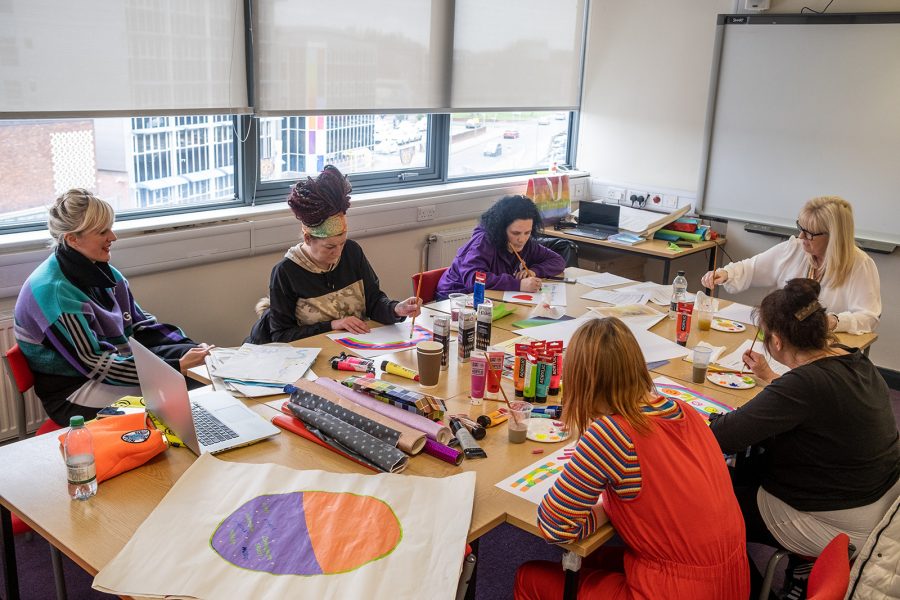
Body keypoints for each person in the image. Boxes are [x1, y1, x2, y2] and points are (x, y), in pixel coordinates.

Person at [515, 318, 749, 600]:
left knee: (530, 577)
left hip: (673, 590)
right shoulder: (682, 410)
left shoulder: (612, 432)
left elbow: (556, 527)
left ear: (580, 380)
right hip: (730, 581)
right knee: (590, 561)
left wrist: (604, 512)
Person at [709, 278, 900, 588]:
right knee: (741, 468)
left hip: (840, 522)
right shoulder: (853, 359)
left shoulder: (804, 385)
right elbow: (818, 409)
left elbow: (722, 436)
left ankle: (746, 586)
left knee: (706, 501)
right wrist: (771, 378)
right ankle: (794, 571)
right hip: (878, 501)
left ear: (777, 341)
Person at [14, 189, 213, 426]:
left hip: (113, 366)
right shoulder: (55, 293)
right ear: (72, 239)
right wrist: (176, 366)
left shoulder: (102, 270)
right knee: (181, 386)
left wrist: (188, 349)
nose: (113, 237)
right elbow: (98, 366)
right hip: (74, 391)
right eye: (102, 231)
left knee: (200, 370)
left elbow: (141, 327)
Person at [249, 165, 420, 343]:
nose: (338, 252)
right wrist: (333, 324)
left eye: (342, 242)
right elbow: (281, 335)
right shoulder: (286, 272)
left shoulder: (352, 252)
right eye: (329, 247)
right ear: (308, 239)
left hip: (354, 348)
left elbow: (374, 301)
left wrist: (396, 309)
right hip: (313, 355)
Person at [700, 196, 881, 334]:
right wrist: (726, 273)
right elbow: (752, 268)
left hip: (828, 348)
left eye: (809, 233)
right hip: (788, 340)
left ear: (833, 237)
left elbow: (868, 317)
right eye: (800, 228)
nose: (801, 237)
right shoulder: (794, 249)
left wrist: (834, 321)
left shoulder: (860, 265)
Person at [435, 195, 566, 299]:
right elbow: (474, 280)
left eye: (527, 232)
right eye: (515, 233)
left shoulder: (527, 243)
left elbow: (558, 261)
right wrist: (518, 284)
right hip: (456, 298)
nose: (522, 239)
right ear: (501, 230)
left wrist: (534, 271)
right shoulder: (483, 242)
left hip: (492, 297)